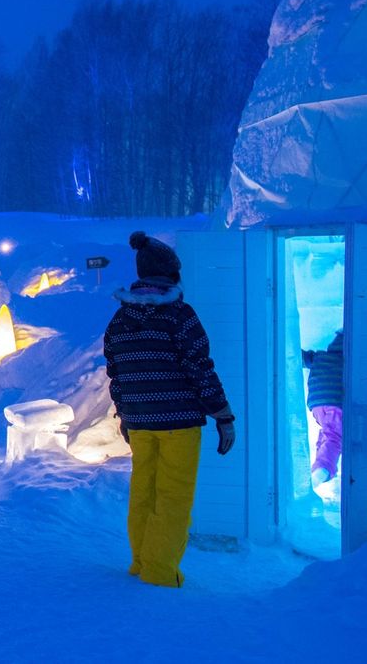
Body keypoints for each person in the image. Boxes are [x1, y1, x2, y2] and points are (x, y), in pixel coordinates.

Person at [103, 231, 236, 588]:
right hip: (178, 423)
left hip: (139, 422)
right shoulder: (179, 316)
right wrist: (222, 414)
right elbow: (199, 368)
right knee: (173, 496)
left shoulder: (119, 321)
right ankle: (160, 573)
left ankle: (140, 562)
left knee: (143, 492)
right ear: (172, 274)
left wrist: (126, 415)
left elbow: (116, 374)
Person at [302, 330, 344, 485]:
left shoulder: (320, 357)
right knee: (334, 436)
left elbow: (302, 358)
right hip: (334, 400)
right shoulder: (349, 363)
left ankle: (319, 464)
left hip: (317, 402)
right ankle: (323, 468)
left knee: (328, 432)